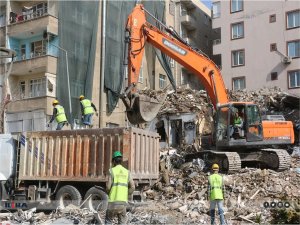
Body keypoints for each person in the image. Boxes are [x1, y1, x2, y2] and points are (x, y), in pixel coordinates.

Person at [105, 151, 135, 224]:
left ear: (114, 161)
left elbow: (108, 187)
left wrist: (108, 193)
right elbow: (133, 187)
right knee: (122, 222)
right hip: (123, 203)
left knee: (108, 221)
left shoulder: (112, 171)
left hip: (112, 202)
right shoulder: (127, 172)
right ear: (121, 161)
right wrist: (126, 194)